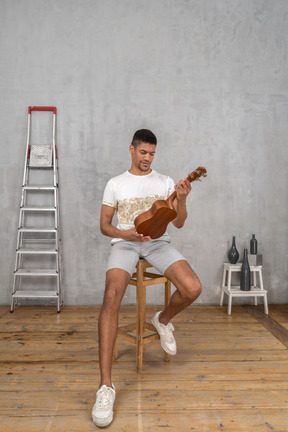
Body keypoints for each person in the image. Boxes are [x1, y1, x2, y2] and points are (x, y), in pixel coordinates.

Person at [92, 129, 202, 428]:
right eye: (143, 152)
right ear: (131, 149)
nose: (147, 158)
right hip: (125, 242)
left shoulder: (165, 182)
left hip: (157, 242)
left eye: (152, 153)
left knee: (192, 288)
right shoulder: (115, 183)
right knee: (111, 296)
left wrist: (182, 199)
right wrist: (124, 232)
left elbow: (178, 223)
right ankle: (105, 387)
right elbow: (104, 225)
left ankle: (162, 320)